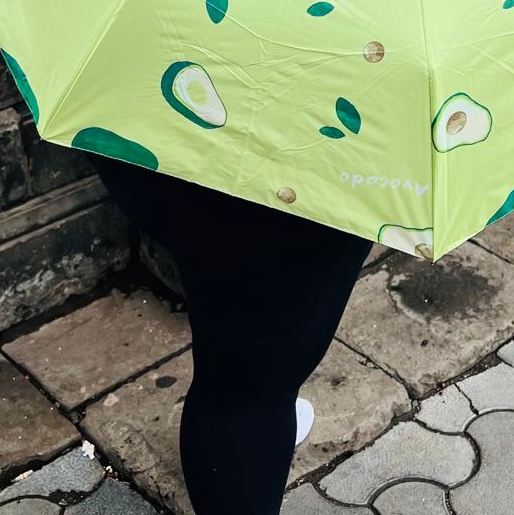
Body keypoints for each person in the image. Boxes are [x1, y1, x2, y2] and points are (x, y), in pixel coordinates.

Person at [88, 153, 371, 514]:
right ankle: (257, 421)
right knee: (245, 390)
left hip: (171, 144)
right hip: (313, 180)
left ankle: (262, 410)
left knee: (242, 328)